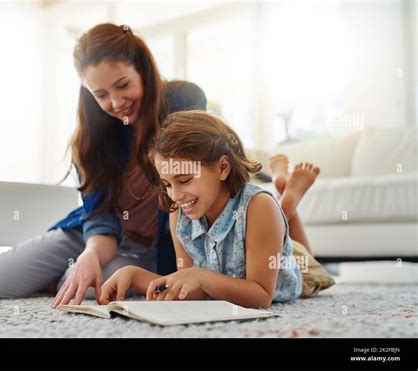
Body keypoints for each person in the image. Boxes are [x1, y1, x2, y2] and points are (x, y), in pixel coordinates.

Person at [0, 23, 206, 307]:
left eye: (122, 85)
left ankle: (61, 274)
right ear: (87, 91)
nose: (116, 102)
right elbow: (99, 216)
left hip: (146, 247)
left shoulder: (183, 100)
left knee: (86, 287)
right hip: (94, 236)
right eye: (101, 94)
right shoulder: (91, 139)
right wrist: (90, 254)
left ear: (142, 71)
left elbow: (190, 175)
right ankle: (70, 267)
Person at [99, 110, 334, 308]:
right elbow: (195, 292)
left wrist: (201, 276)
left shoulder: (259, 208)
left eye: (185, 180)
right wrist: (135, 275)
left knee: (309, 264)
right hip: (266, 237)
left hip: (287, 268)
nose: (175, 195)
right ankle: (284, 196)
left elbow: (261, 295)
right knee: (280, 231)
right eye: (167, 184)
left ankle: (288, 199)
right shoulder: (178, 213)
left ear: (222, 167)